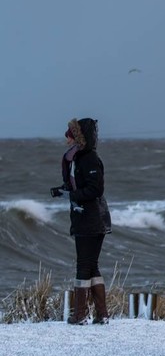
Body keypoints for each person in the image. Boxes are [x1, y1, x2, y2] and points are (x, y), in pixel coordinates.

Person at [51, 118, 112, 325]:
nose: (66, 136)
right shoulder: (74, 158)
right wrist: (62, 191)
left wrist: (74, 195)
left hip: (93, 217)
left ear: (79, 137)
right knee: (91, 265)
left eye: (70, 133)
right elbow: (78, 186)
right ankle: (101, 314)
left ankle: (80, 314)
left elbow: (96, 189)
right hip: (82, 215)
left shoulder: (90, 159)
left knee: (84, 265)